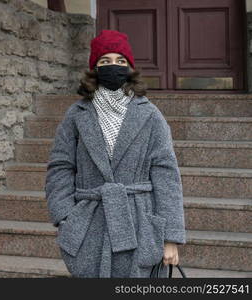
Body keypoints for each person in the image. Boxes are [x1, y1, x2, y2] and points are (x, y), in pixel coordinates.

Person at [45, 29, 186, 278]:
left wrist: (170, 238)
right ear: (94, 69)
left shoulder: (150, 115)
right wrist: (66, 217)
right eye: (105, 61)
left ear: (130, 68)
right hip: (89, 223)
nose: (113, 66)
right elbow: (60, 167)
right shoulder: (77, 115)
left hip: (139, 224)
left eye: (120, 61)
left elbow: (166, 177)